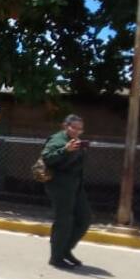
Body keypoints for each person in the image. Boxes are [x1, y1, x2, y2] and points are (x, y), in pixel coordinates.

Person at [41, 114, 91, 269]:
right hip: (59, 186)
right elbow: (47, 157)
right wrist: (65, 150)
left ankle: (66, 250)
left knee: (85, 218)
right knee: (64, 221)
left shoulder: (75, 141)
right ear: (65, 126)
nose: (77, 131)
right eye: (73, 127)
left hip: (75, 186)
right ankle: (56, 257)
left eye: (80, 129)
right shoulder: (58, 140)